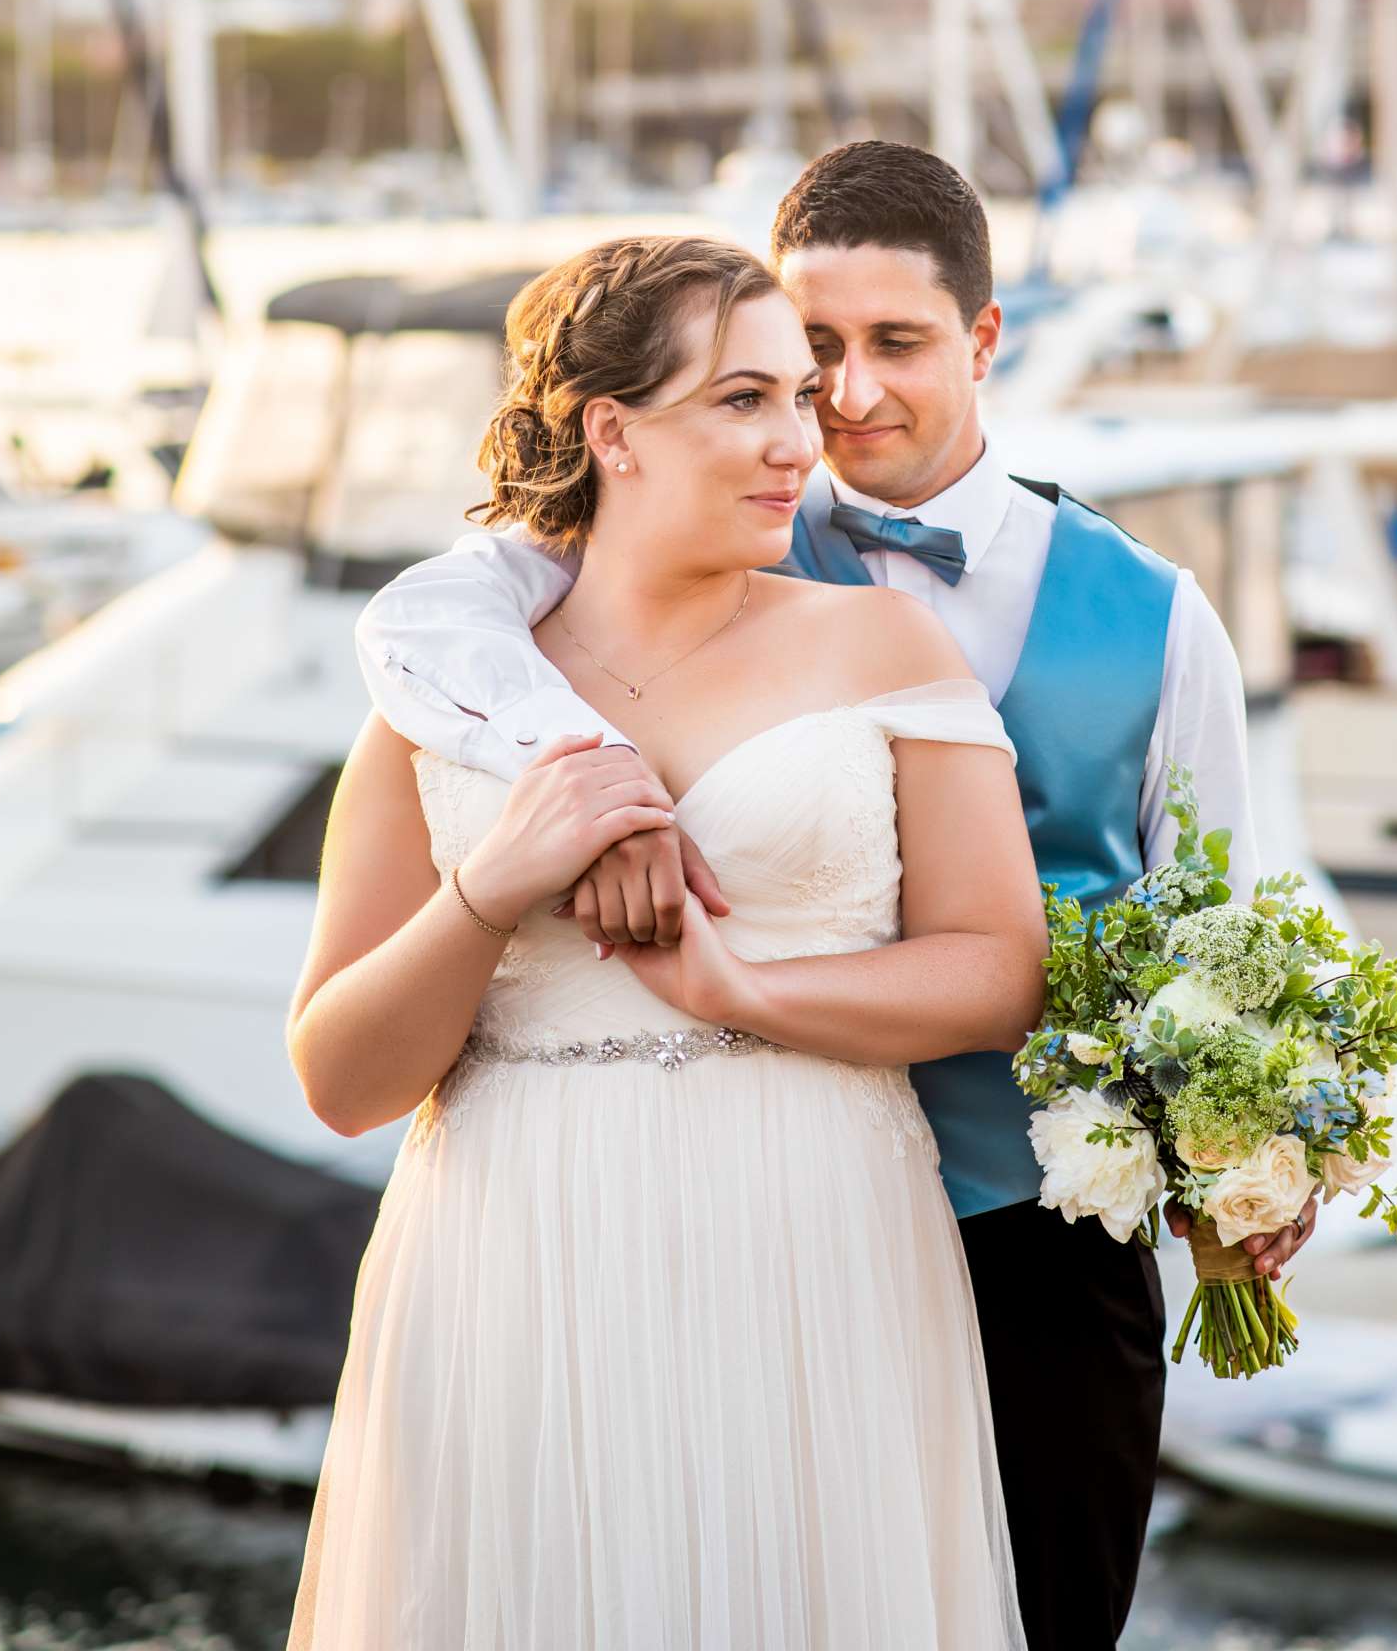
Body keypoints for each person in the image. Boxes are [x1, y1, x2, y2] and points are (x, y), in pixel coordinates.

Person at [361, 143, 1320, 1651]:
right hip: (730, 1208)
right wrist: (580, 757)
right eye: (807, 356)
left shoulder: (1150, 609)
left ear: (984, 340)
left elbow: (1212, 918)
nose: (843, 400)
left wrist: (1251, 1151)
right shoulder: (667, 535)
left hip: (1035, 1221)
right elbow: (426, 624)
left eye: (895, 346)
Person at [286, 232, 1045, 1651]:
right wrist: (491, 887)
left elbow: (997, 970)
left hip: (809, 1237)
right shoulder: (442, 695)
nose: (794, 443)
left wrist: (739, 984)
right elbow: (339, 1080)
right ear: (611, 430)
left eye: (795, 401)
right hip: (515, 1258)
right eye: (741, 401)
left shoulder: (879, 648)